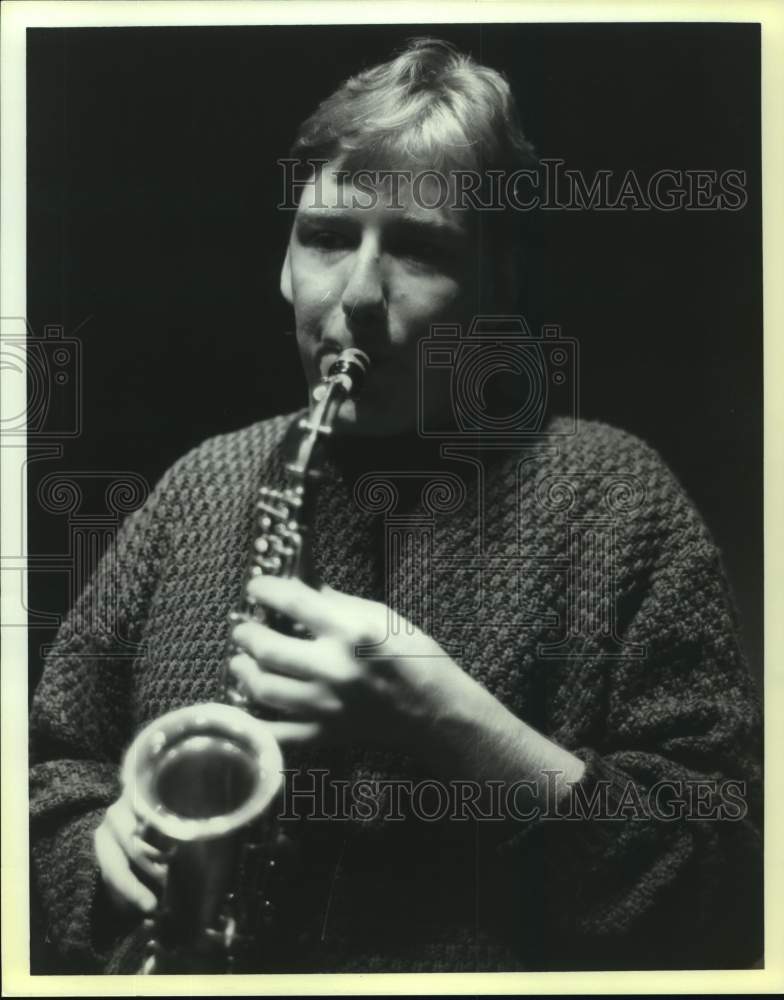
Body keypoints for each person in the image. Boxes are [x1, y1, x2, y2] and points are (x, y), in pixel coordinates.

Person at [29, 38, 763, 974]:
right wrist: (90, 847)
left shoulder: (621, 501)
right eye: (328, 237)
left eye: (418, 248)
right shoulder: (194, 488)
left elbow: (725, 884)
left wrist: (451, 724)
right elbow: (47, 774)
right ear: (286, 264)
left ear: (497, 284)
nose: (358, 296)